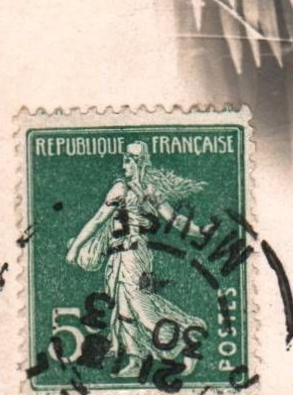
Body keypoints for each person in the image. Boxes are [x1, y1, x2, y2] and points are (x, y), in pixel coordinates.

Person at [65, 142, 209, 376]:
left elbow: (174, 219)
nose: (125, 166)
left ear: (140, 163)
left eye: (130, 161)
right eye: (125, 160)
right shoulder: (121, 189)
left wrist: (200, 231)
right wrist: (76, 248)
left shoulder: (145, 191)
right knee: (123, 310)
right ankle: (135, 360)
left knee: (143, 310)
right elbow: (98, 219)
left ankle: (187, 341)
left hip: (135, 256)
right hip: (118, 257)